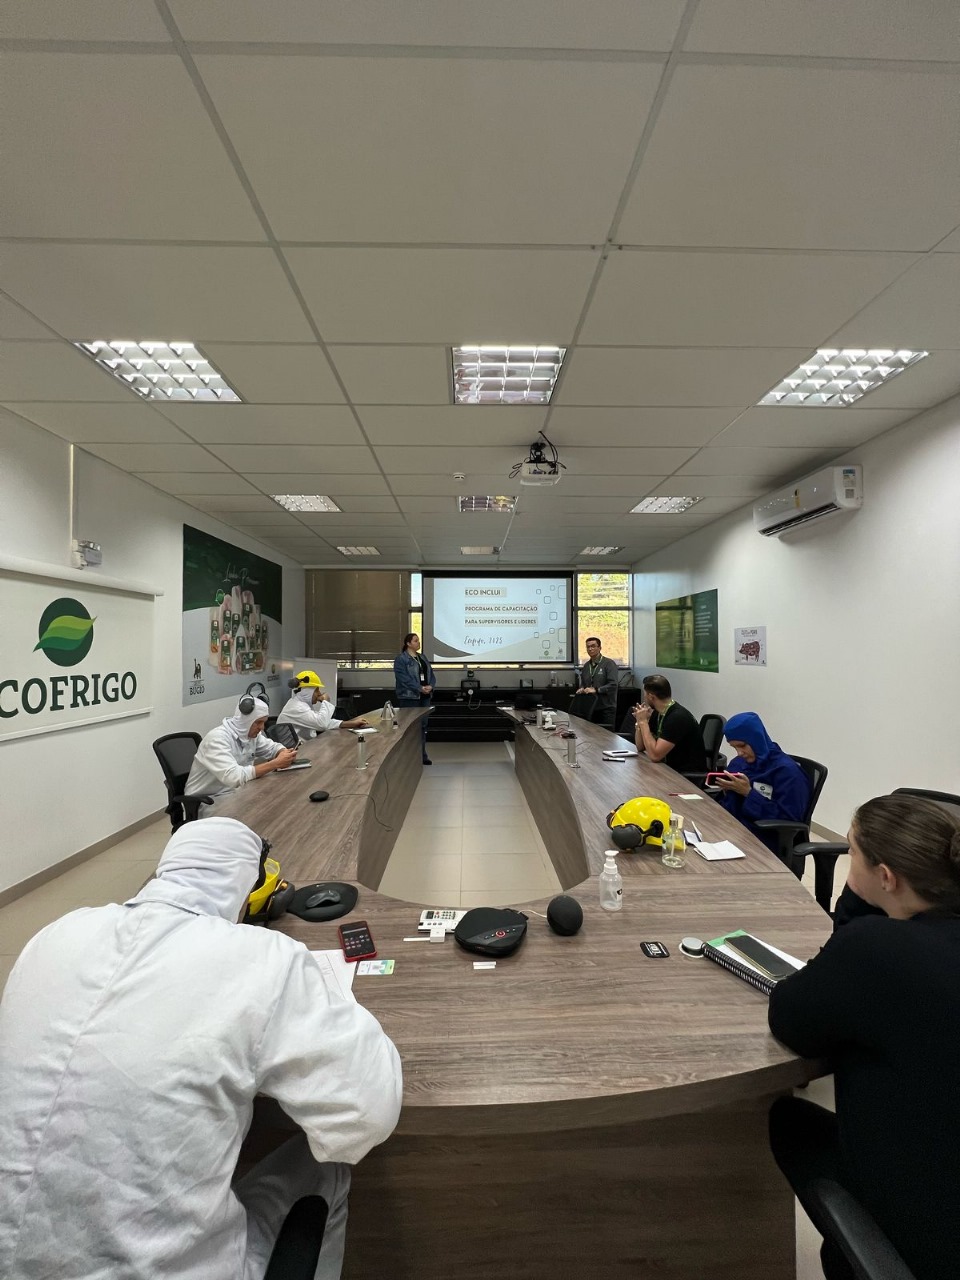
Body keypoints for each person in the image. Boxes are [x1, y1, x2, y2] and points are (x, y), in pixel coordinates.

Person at [0, 816, 403, 1280]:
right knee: (326, 1170)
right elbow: (365, 1117)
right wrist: (335, 1003)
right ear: (251, 890)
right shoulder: (264, 958)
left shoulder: (54, 934)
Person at [767, 794, 960, 1280]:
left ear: (886, 877)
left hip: (934, 1238)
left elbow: (789, 1017)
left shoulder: (878, 948)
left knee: (788, 1120)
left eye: (851, 852)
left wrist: (853, 908)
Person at [711, 711, 810, 855]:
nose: (739, 753)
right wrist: (728, 791)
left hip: (762, 839)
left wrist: (748, 793)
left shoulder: (788, 772)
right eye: (735, 747)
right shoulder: (739, 763)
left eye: (742, 746)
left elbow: (789, 819)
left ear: (756, 739)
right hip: (731, 827)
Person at [185, 694, 297, 804]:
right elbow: (234, 777)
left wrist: (283, 752)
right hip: (208, 800)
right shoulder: (217, 739)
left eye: (264, 722)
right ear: (245, 720)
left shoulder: (250, 735)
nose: (262, 727)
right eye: (258, 722)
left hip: (235, 792)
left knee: (276, 799)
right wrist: (275, 764)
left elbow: (272, 747)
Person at [631, 674, 706, 774]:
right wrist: (640, 723)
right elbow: (640, 747)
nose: (644, 698)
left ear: (651, 697)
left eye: (645, 694)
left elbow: (655, 756)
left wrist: (643, 722)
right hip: (667, 768)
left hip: (685, 776)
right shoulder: (658, 713)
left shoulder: (677, 717)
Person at [277, 670, 368, 741]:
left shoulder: (301, 704)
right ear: (306, 691)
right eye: (316, 690)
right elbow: (322, 724)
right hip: (295, 751)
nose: (319, 693)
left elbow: (323, 721)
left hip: (304, 746)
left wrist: (350, 724)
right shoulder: (297, 707)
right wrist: (326, 701)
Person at [393, 632, 434, 765]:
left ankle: (422, 755)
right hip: (409, 697)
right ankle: (408, 757)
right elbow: (403, 679)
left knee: (422, 726)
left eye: (418, 640)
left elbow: (431, 674)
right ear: (408, 643)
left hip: (424, 697)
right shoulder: (401, 659)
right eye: (416, 641)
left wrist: (430, 686)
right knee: (410, 727)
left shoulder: (422, 657)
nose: (418, 643)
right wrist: (419, 688)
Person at [574, 636, 619, 730]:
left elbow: (613, 685)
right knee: (591, 734)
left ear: (599, 648)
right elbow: (584, 684)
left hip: (606, 708)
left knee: (606, 736)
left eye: (593, 646)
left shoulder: (609, 663)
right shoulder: (586, 666)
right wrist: (582, 689)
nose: (590, 649)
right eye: (588, 647)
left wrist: (597, 690)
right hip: (591, 708)